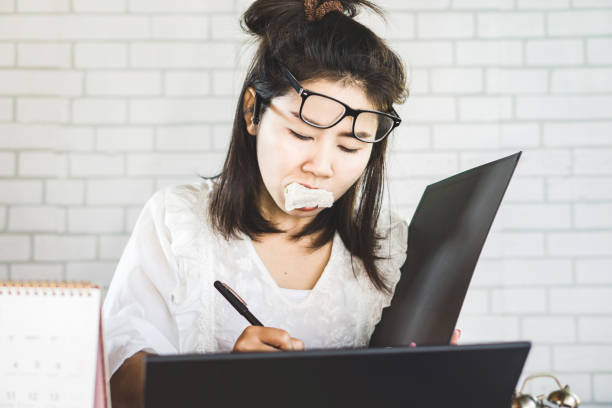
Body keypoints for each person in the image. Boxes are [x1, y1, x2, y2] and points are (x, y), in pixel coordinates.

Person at [102, 0, 461, 406]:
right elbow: (119, 379)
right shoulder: (176, 221)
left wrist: (432, 375)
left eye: (350, 144)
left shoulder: (388, 244)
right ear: (253, 112)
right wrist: (224, 383)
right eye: (302, 135)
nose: (321, 167)